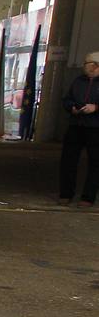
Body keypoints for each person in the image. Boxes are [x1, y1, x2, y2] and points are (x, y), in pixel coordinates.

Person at [59, 51, 98, 207]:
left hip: (95, 128)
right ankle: (65, 194)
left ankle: (88, 197)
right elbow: (67, 99)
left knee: (95, 163)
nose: (84, 66)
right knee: (68, 161)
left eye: (87, 63)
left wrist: (95, 107)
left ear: (95, 65)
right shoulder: (78, 81)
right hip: (76, 125)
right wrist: (72, 107)